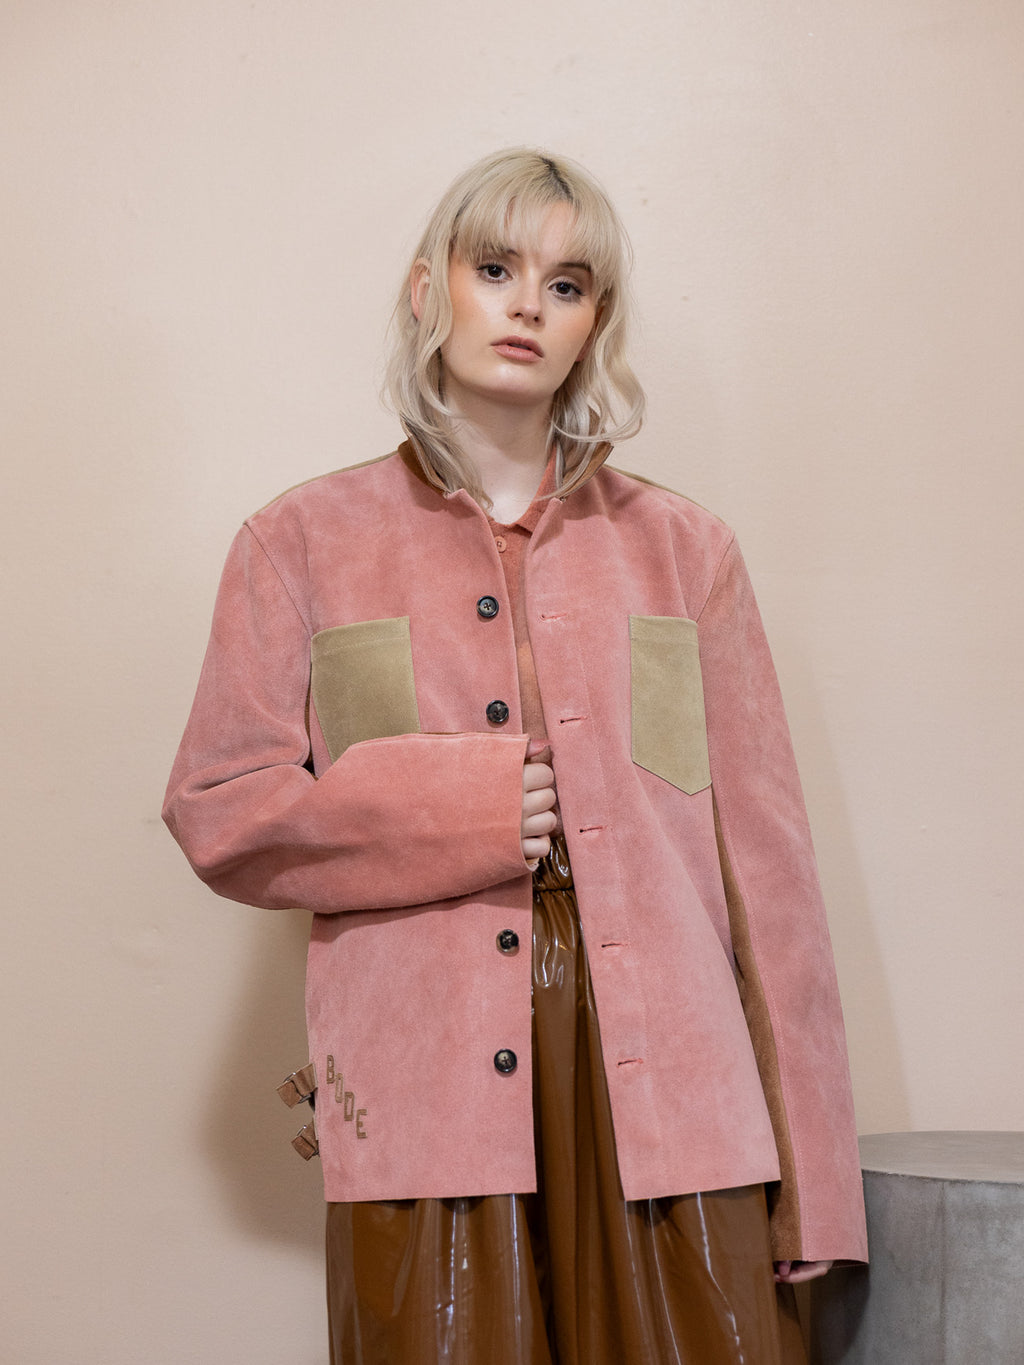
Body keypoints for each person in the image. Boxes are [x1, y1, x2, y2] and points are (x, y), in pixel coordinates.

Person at [164, 148, 867, 1364]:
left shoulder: (683, 551)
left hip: (676, 1084)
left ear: (595, 322)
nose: (529, 304)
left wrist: (817, 1180)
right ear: (426, 288)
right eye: (495, 268)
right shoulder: (300, 542)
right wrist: (461, 806)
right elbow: (219, 809)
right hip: (426, 1084)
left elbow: (771, 881)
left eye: (567, 283)